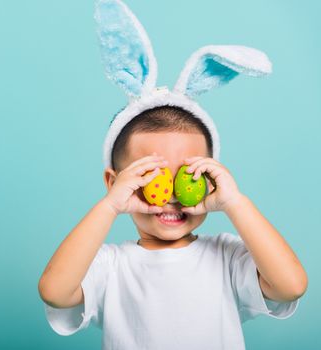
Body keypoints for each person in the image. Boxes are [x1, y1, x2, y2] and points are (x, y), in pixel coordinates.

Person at [37, 1, 308, 349]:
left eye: (190, 175)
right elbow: (55, 292)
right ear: (115, 183)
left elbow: (291, 285)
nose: (172, 195)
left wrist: (235, 203)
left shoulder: (226, 257)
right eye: (151, 175)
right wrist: (108, 207)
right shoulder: (110, 266)